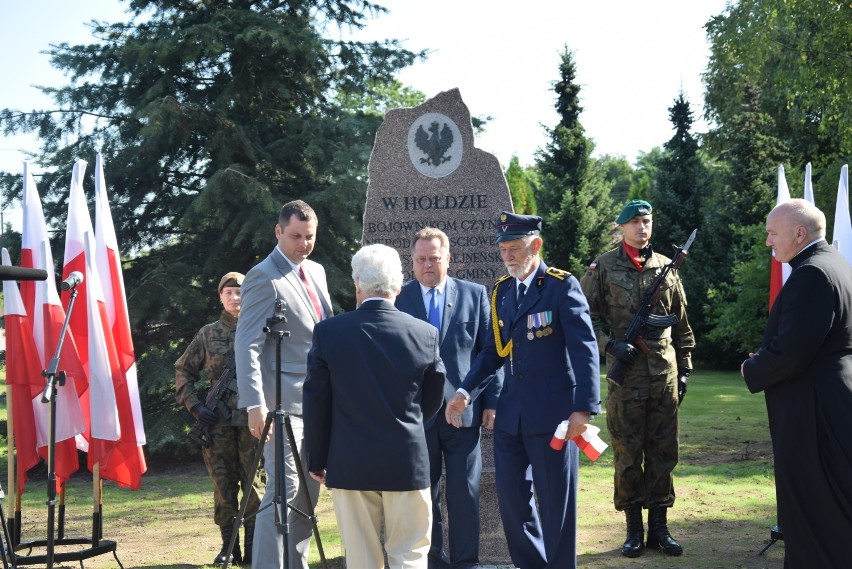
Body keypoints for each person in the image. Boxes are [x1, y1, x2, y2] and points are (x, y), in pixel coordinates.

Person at [445, 212, 601, 569]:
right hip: (510, 419)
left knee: (555, 506)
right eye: (503, 249)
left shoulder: (561, 286)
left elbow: (584, 348)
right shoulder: (502, 291)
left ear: (536, 245)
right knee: (513, 505)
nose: (509, 256)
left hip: (553, 418)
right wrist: (466, 391)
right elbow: (493, 353)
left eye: (515, 248)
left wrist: (585, 408)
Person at [303, 244, 446, 569]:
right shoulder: (425, 334)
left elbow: (316, 401)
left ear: (357, 285)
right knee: (409, 556)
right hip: (406, 459)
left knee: (362, 560)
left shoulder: (329, 333)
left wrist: (318, 457)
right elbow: (433, 398)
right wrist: (408, 426)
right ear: (398, 286)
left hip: (351, 462)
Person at [579, 199, 694, 558]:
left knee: (663, 453)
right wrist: (610, 344)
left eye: (647, 221)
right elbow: (584, 316)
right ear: (622, 227)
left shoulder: (666, 267)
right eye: (635, 223)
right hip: (625, 376)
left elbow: (681, 321)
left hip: (664, 374)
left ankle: (660, 528)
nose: (643, 228)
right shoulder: (603, 267)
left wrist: (686, 367)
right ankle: (632, 529)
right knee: (628, 454)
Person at [741, 199, 852, 569]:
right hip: (826, 399)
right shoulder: (833, 263)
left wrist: (752, 369)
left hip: (814, 407)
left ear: (798, 232)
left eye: (773, 233)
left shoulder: (813, 273)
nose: (768, 241)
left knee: (814, 501)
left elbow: (793, 352)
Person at [395, 227, 503, 569]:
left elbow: (490, 350)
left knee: (465, 493)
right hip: (416, 415)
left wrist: (492, 401)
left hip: (464, 413)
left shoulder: (474, 294)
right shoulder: (398, 298)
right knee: (424, 495)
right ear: (411, 262)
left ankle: (466, 562)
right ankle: (431, 560)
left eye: (435, 258)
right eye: (421, 259)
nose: (428, 265)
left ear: (449, 259)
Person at [235, 200, 333, 569]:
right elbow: (246, 344)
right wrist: (255, 404)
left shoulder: (318, 271)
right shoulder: (264, 275)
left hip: (319, 404)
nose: (303, 243)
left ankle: (296, 564)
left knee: (309, 494)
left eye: (309, 236)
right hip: (280, 406)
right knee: (282, 493)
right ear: (278, 232)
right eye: (295, 236)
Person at [175, 271, 264, 566]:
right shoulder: (207, 333)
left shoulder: (259, 328)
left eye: (239, 292)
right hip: (218, 426)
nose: (235, 298)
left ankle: (252, 548)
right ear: (220, 297)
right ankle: (229, 547)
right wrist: (196, 407)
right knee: (223, 487)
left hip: (254, 422)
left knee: (254, 487)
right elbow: (183, 371)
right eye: (229, 293)